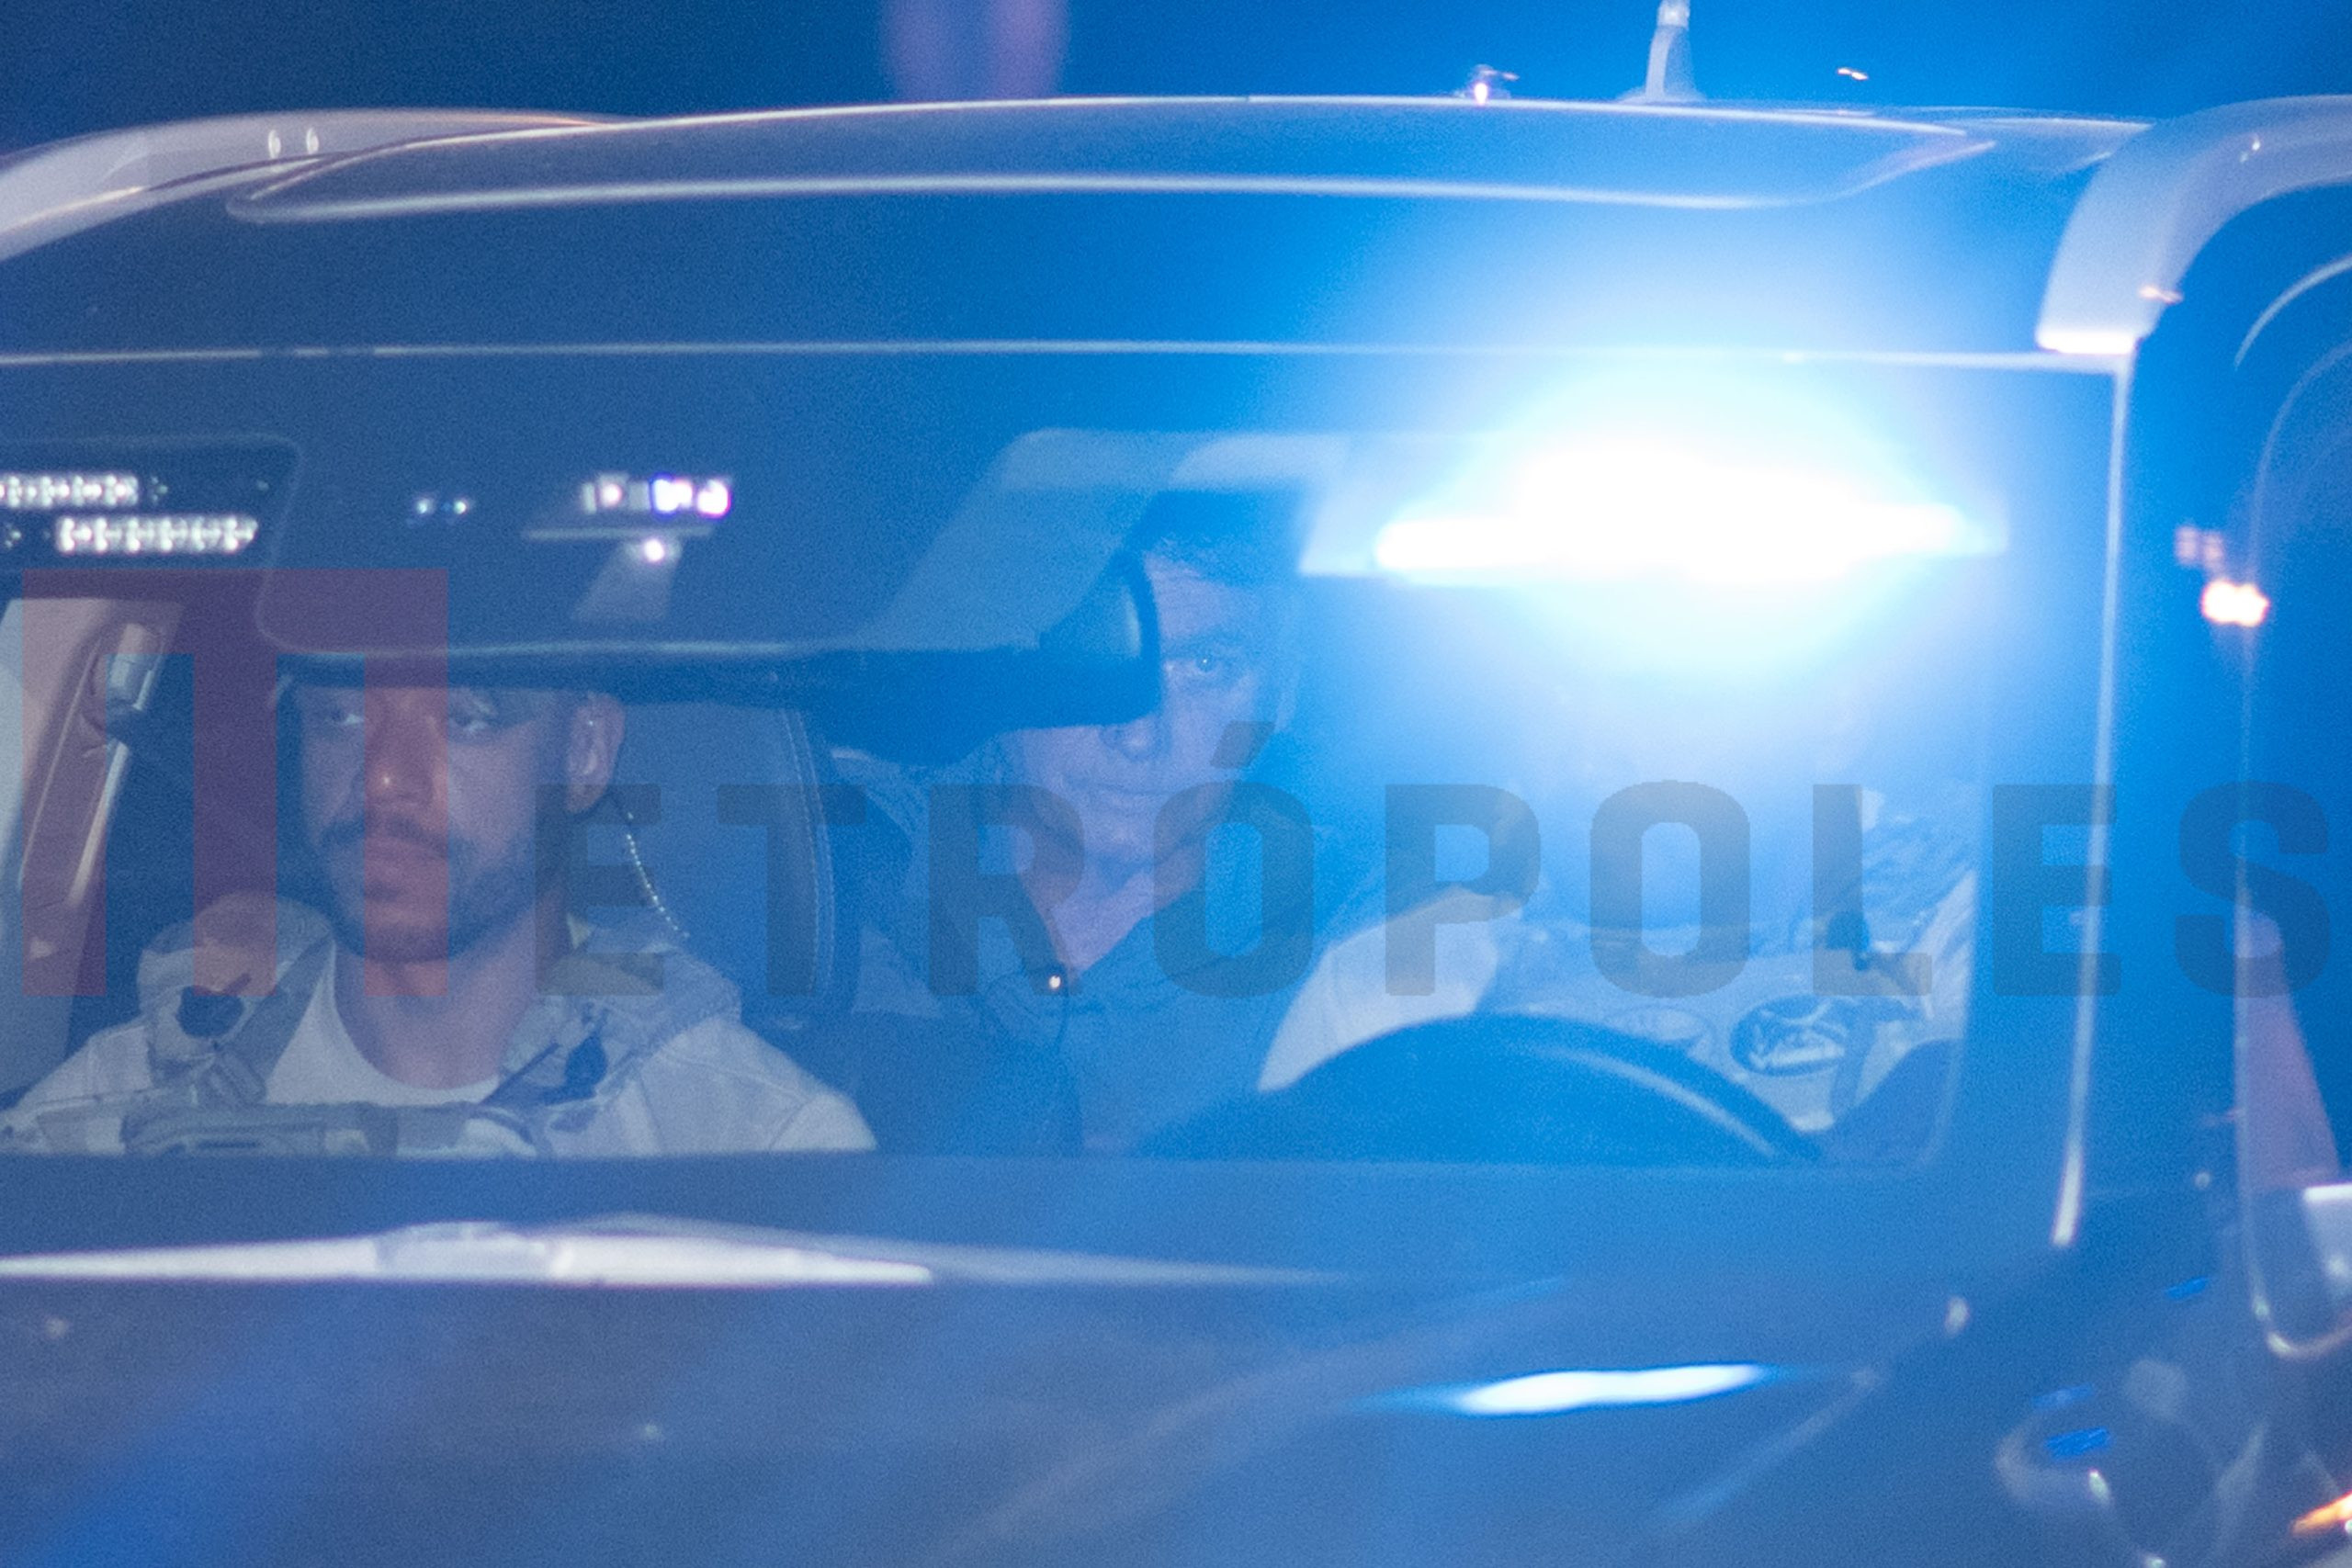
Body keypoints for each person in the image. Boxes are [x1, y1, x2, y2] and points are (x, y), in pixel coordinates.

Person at [1, 681, 874, 1156]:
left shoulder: (752, 1151)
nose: (384, 776)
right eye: (341, 713)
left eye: (465, 716)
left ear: (584, 750)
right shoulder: (109, 1115)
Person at [847, 491, 1318, 1154]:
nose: (1139, 736)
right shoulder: (829, 871)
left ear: (1284, 693)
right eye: (1090, 655)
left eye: (1205, 666)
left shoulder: (1349, 948)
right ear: (998, 667)